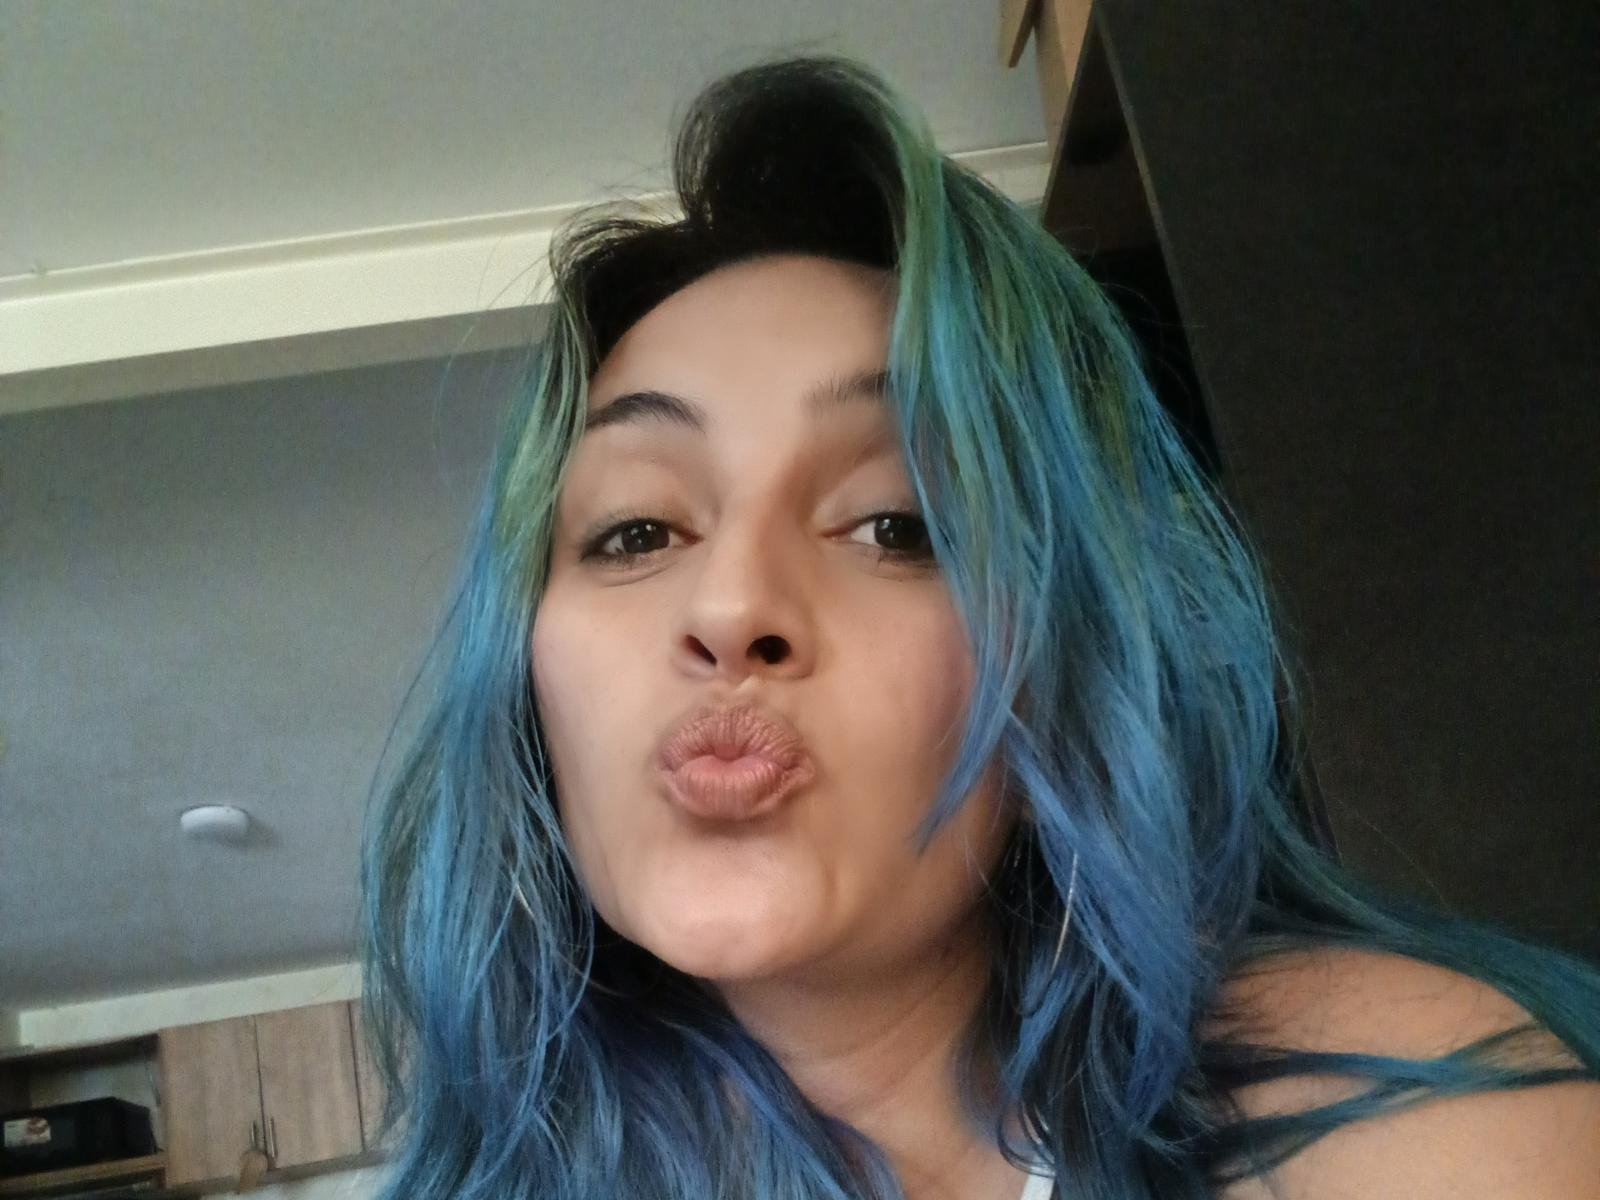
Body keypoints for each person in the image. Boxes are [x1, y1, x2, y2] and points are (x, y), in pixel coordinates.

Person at [358, 54, 1600, 1200]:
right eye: (636, 532)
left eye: (894, 524)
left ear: (1067, 650)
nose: (730, 609)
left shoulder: (1403, 1133)